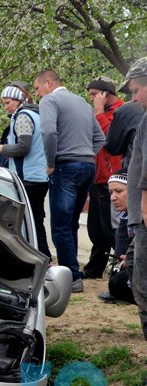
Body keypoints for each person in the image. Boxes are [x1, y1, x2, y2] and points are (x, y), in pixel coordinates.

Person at [33, 69, 106, 292]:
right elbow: (100, 138)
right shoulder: (83, 103)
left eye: (36, 88)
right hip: (87, 167)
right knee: (72, 223)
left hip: (65, 167)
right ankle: (73, 272)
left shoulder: (50, 100)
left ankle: (71, 277)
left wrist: (52, 162)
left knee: (60, 226)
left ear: (48, 83)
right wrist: (85, 154)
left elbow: (47, 131)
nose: (36, 94)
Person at [0, 84, 51, 259]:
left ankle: (38, 257)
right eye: (3, 103)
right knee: (36, 221)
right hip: (39, 177)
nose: (6, 107)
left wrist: (2, 148)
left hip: (28, 178)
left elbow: (23, 147)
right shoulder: (37, 114)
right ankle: (42, 256)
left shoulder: (23, 117)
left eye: (8, 102)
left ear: (19, 100)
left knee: (27, 222)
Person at [84, 76, 124, 279]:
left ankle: (123, 270)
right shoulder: (104, 112)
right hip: (98, 177)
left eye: (93, 95)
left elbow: (109, 138)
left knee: (111, 229)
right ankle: (94, 268)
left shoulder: (119, 112)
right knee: (96, 229)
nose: (91, 99)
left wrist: (98, 111)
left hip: (112, 179)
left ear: (104, 94)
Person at [122, 56, 147, 339]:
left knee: (144, 288)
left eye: (136, 91)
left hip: (144, 217)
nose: (134, 98)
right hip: (138, 219)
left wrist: (143, 209)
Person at [98, 173, 135, 304]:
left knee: (119, 282)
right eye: (111, 192)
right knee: (116, 283)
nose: (113, 197)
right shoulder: (128, 216)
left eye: (119, 191)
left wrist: (135, 261)